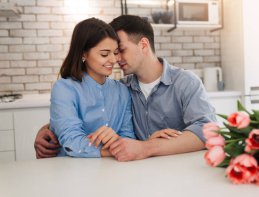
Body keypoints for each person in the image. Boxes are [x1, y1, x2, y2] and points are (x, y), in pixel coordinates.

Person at [34, 15, 216, 161]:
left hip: (179, 170)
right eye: (109, 52)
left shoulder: (185, 82)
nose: (115, 58)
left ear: (143, 45)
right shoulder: (125, 87)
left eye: (119, 50)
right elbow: (83, 116)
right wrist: (49, 130)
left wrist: (145, 147)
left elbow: (208, 130)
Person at [49, 17, 136, 158]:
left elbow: (128, 137)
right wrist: (113, 150)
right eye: (104, 54)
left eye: (115, 53)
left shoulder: (122, 91)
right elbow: (72, 141)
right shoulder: (64, 89)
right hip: (73, 171)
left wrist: (118, 140)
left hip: (115, 170)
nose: (113, 60)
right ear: (84, 53)